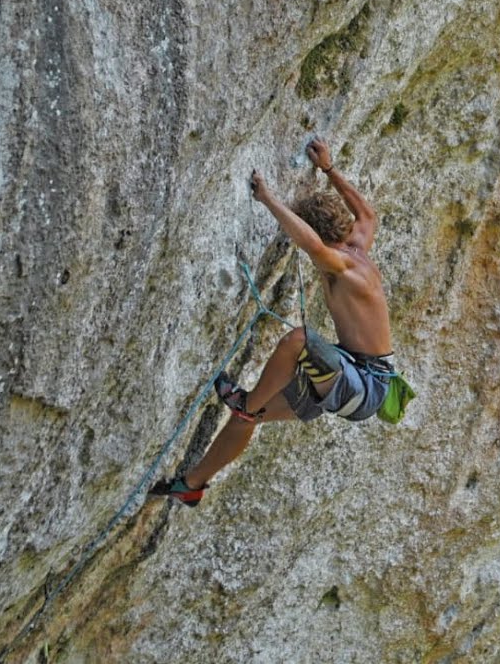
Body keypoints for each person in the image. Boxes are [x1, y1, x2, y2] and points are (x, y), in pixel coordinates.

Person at [151, 137, 396, 506]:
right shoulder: (355, 244)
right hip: (348, 378)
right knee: (250, 417)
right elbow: (367, 215)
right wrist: (329, 169)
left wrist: (267, 198)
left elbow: (314, 247)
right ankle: (192, 484)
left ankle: (245, 403)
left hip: (365, 384)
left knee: (298, 341)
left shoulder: (346, 267)